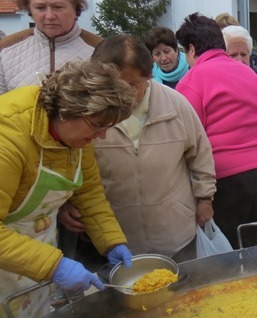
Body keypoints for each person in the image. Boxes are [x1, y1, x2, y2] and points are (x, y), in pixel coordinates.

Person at [0, 60, 136, 318]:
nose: (102, 136)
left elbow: (90, 193)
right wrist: (54, 265)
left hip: (31, 260)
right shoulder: (8, 136)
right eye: (97, 126)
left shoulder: (75, 135)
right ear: (66, 111)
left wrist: (111, 242)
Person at [83, 35, 216, 261]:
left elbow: (200, 153)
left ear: (149, 76)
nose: (123, 93)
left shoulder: (176, 105)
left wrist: (205, 198)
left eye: (133, 84)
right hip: (118, 234)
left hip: (175, 230)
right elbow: (72, 165)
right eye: (115, 85)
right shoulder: (90, 112)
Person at [175, 14, 257, 248]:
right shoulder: (248, 72)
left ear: (192, 49)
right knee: (252, 227)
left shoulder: (192, 79)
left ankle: (239, 279)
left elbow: (189, 136)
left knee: (229, 242)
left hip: (229, 173)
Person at [0, 0, 101, 94]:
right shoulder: (5, 52)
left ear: (75, 9)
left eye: (58, 7)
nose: (49, 16)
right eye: (40, 8)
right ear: (29, 10)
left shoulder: (102, 52)